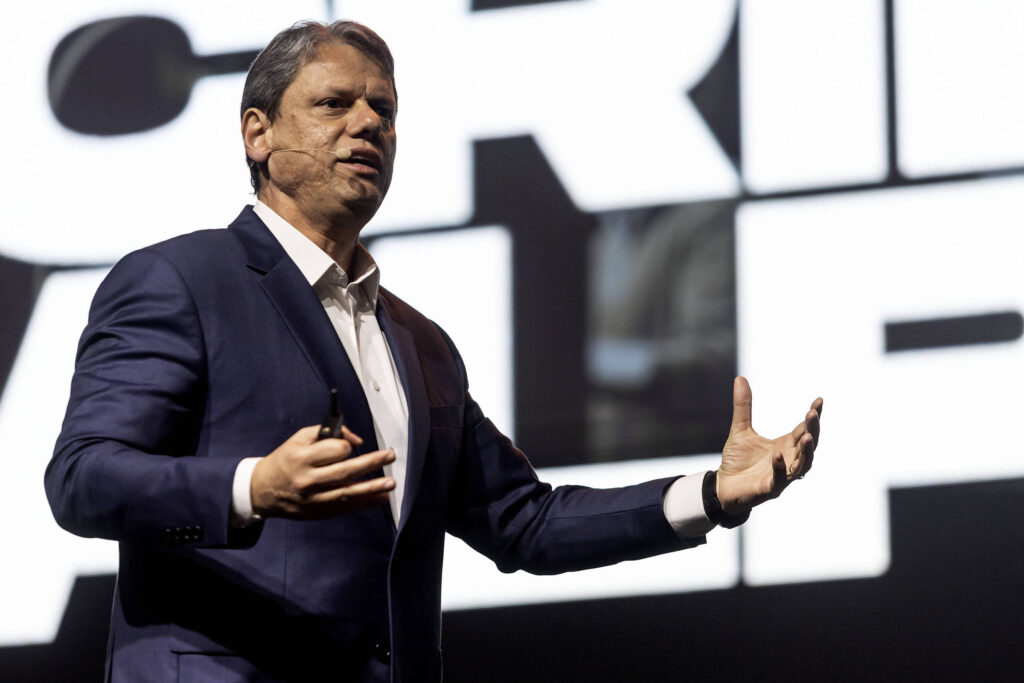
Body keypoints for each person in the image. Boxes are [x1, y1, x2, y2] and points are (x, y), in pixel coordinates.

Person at [45, 20, 822, 683]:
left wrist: (712, 494)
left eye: (383, 109)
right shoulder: (181, 281)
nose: (368, 124)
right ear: (259, 133)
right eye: (334, 104)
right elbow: (82, 478)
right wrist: (253, 485)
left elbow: (524, 520)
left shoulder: (421, 343)